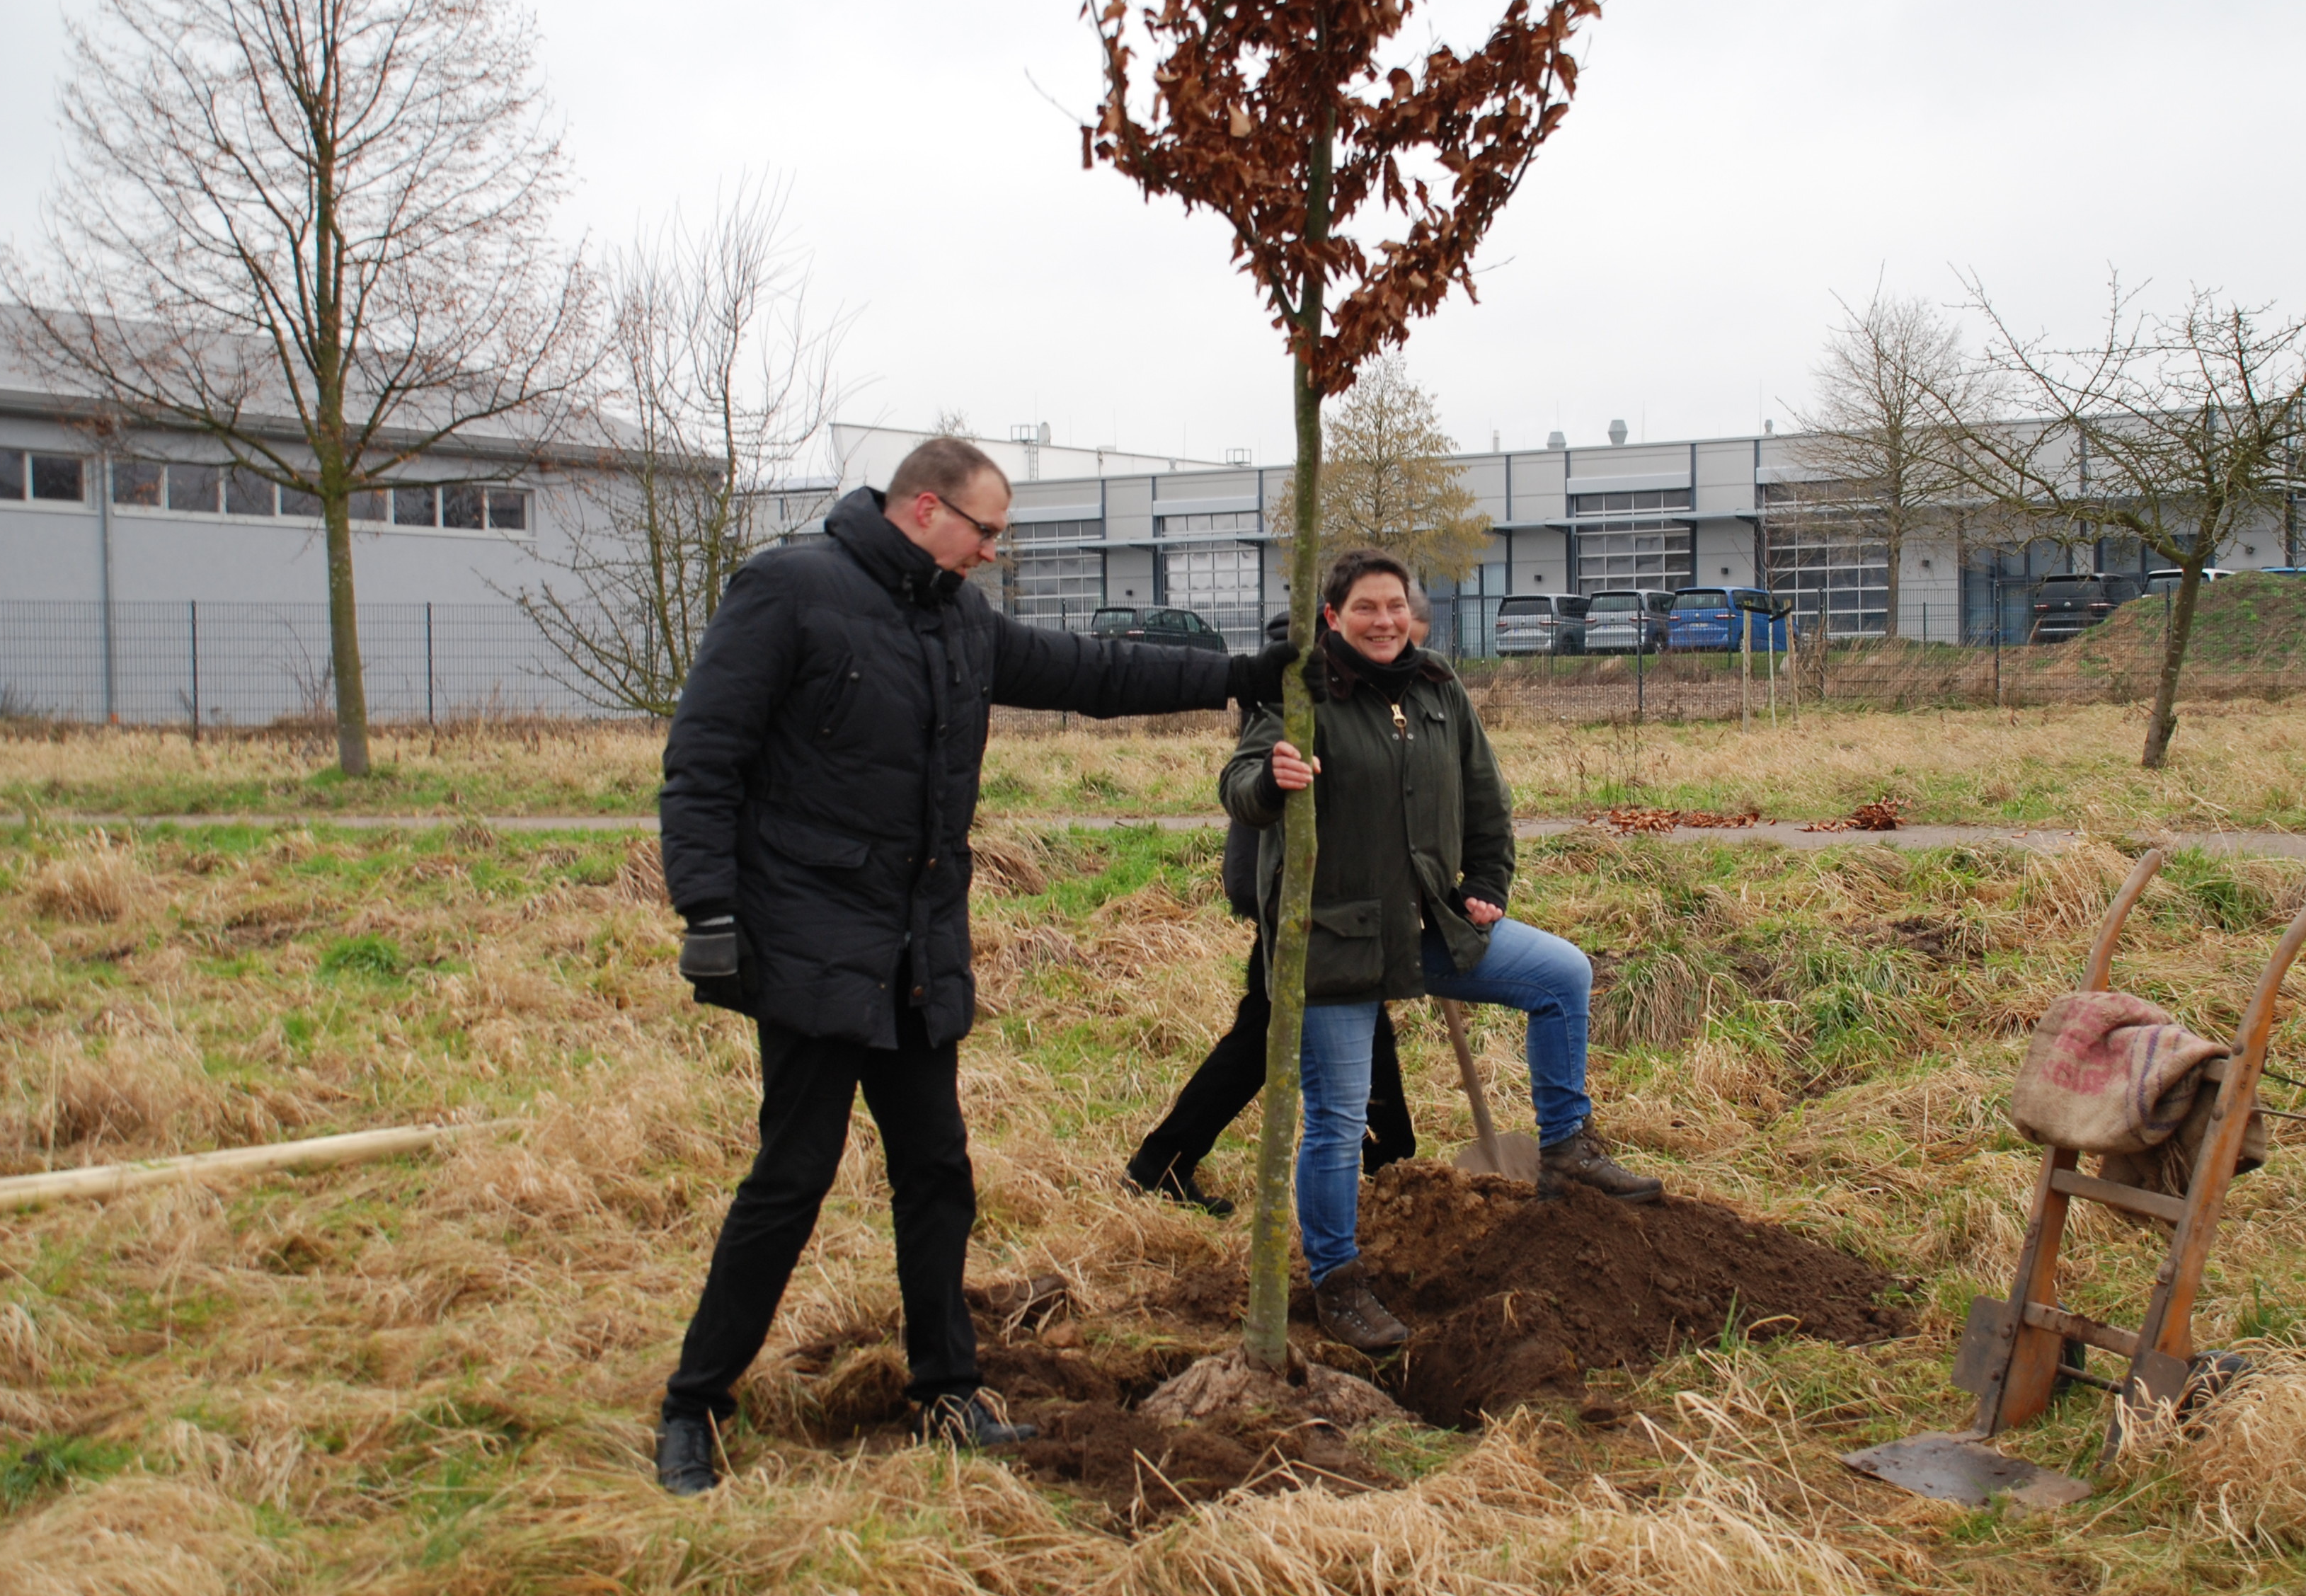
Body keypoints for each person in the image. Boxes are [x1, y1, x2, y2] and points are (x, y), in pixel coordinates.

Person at [654, 436, 1297, 1494]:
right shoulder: (788, 591)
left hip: (917, 950)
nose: (996, 553)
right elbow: (704, 756)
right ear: (922, 511)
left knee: (938, 1177)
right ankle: (695, 1405)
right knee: (791, 1179)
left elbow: (1086, 671)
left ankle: (948, 1390)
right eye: (986, 530)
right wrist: (710, 912)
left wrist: (1234, 675)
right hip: (813, 941)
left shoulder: (954, 616)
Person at [1220, 548, 1662, 1353]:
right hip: (1332, 941)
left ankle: (1565, 1147)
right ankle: (1338, 1282)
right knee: (1337, 1119)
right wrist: (1271, 780)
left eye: (1395, 606)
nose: (1383, 621)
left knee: (1563, 974)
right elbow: (1240, 790)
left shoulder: (1436, 688)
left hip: (1429, 922)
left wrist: (1486, 879)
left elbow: (1484, 796)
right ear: (1332, 618)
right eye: (1365, 608)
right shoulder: (1298, 694)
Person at [1123, 600, 1429, 1213]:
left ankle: (1389, 1161)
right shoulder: (1307, 678)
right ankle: (1390, 1164)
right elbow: (1263, 785)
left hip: (1328, 898)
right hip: (1292, 888)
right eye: (1397, 633)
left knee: (1288, 1029)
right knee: (1275, 1030)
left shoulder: (1355, 675)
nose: (1400, 649)